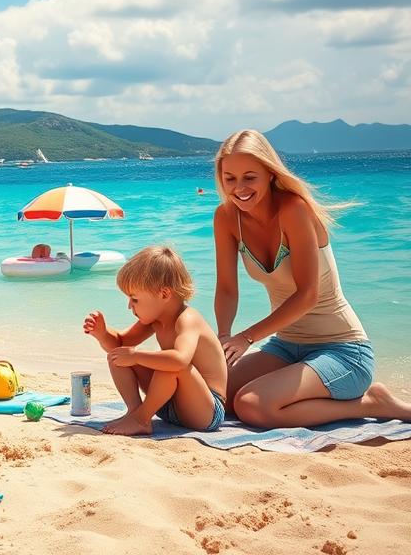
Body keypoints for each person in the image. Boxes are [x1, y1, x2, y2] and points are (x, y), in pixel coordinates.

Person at [213, 129, 411, 427]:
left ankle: (371, 403)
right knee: (215, 395)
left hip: (343, 352)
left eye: (249, 177)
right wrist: (225, 337)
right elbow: (227, 288)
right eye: (230, 178)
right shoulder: (226, 217)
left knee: (252, 405)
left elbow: (308, 295)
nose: (239, 188)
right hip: (286, 348)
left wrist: (247, 337)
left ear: (269, 173)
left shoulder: (294, 209)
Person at [83, 246, 228, 436]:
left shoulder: (188, 319)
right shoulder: (155, 320)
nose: (129, 306)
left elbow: (180, 360)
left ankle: (141, 419)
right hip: (168, 405)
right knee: (118, 355)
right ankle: (135, 412)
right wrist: (102, 334)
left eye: (134, 299)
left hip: (206, 411)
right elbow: (121, 345)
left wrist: (136, 356)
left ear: (164, 294)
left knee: (171, 363)